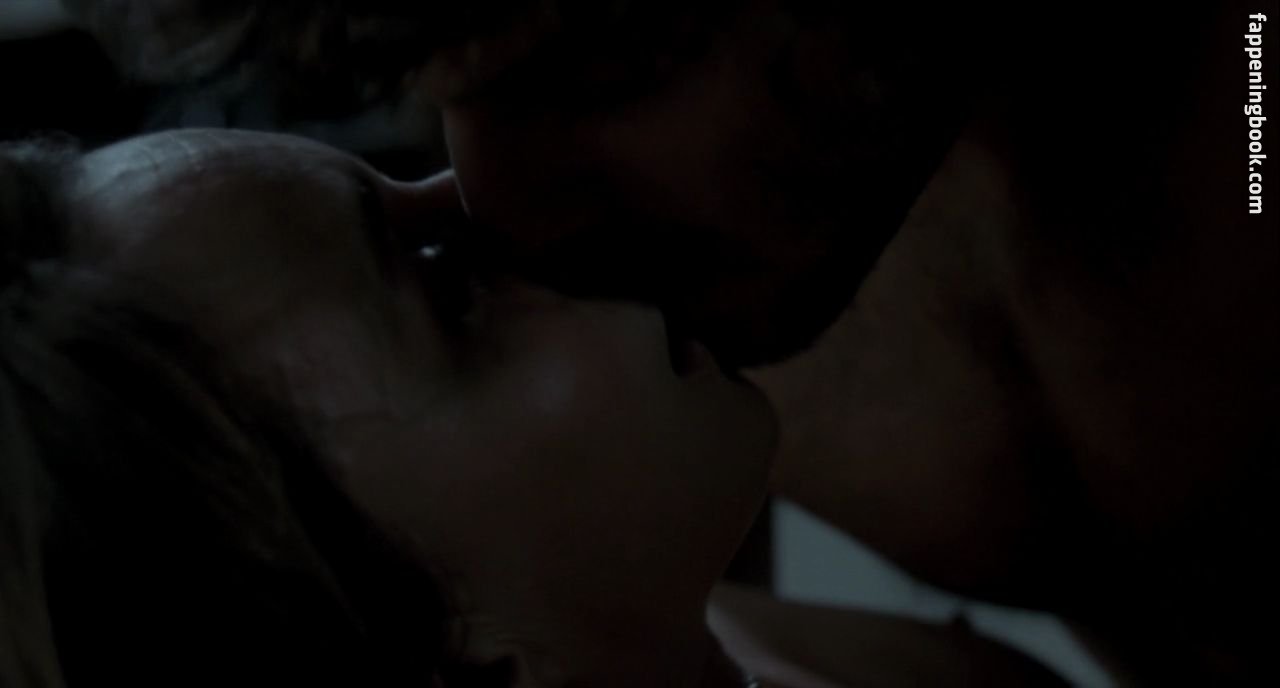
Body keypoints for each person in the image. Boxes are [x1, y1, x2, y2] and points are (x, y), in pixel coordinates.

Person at [0, 129, 1065, 686]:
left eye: (405, 178)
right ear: (470, 670)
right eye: (447, 283)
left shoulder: (667, 622)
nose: (510, 203)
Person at [411, 1, 1278, 683]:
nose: (491, 198)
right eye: (416, 71)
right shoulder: (679, 309)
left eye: (600, 63)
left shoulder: (1251, 95)